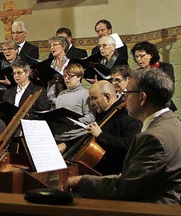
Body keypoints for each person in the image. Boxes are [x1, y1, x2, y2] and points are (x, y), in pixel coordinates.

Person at [67, 69, 181, 204]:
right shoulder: (174, 123)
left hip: (154, 208)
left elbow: (124, 188)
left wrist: (81, 181)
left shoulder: (152, 138)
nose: (123, 97)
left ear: (142, 98)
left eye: (127, 93)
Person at [83, 80, 141, 175]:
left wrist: (101, 135)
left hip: (115, 174)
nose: (92, 103)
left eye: (94, 98)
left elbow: (129, 145)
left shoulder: (128, 116)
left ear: (107, 97)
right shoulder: (102, 114)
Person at [51, 64, 95, 152]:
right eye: (65, 76)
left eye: (70, 76)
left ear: (79, 77)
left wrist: (73, 121)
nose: (66, 79)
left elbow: (91, 117)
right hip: (58, 136)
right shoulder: (61, 94)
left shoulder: (85, 94)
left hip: (76, 138)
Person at [131, 41, 176, 111]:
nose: (139, 59)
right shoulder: (136, 73)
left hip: (163, 106)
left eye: (142, 56)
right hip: (145, 108)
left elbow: (167, 87)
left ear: (151, 55)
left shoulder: (165, 67)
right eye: (136, 56)